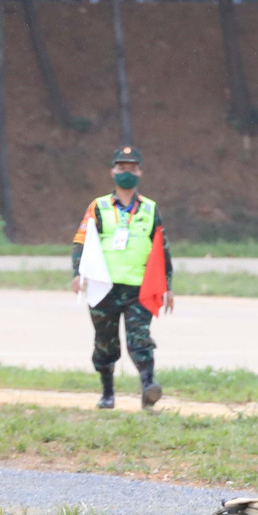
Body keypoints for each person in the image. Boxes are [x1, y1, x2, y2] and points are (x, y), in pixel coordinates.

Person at [71, 145, 174, 410]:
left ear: (140, 172)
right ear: (112, 172)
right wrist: (77, 273)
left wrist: (168, 286)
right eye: (121, 168)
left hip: (138, 288)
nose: (126, 173)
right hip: (103, 286)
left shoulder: (150, 209)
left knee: (140, 340)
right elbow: (82, 242)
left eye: (131, 168)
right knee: (105, 342)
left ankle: (149, 389)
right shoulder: (99, 206)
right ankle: (107, 393)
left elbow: (161, 250)